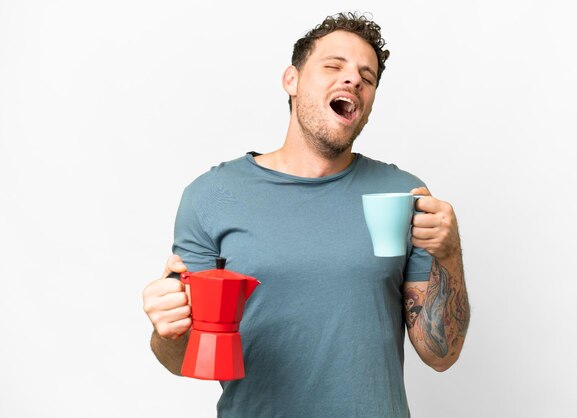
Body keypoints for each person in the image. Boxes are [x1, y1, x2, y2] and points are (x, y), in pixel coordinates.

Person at [142, 11, 470, 417]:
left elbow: (441, 354)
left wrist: (449, 255)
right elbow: (184, 358)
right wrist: (168, 328)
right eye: (333, 66)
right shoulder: (212, 196)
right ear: (291, 81)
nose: (352, 79)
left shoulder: (404, 194)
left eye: (366, 78)